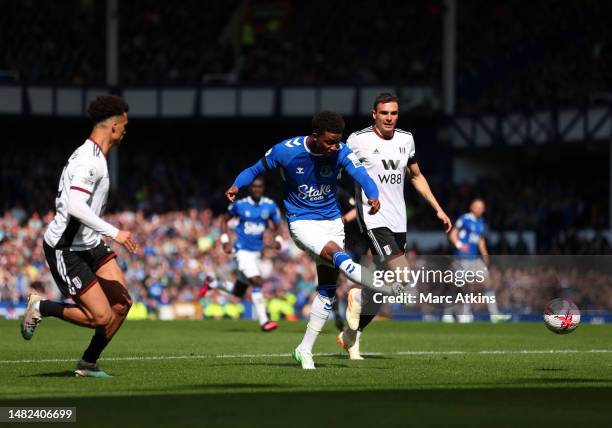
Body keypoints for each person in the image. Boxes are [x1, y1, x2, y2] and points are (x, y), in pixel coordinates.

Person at [225, 111, 403, 370]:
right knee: (339, 257)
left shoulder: (340, 151)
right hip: (302, 222)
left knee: (328, 292)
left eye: (337, 141)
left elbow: (362, 174)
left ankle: (304, 349)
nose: (334, 147)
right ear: (315, 136)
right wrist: (235, 185)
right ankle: (383, 288)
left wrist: (373, 194)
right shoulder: (286, 151)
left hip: (332, 222)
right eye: (329, 142)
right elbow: (254, 169)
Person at [20, 95, 138, 378]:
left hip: (89, 243)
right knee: (101, 317)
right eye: (124, 125)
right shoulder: (90, 161)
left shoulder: (96, 156)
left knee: (122, 304)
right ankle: (42, 306)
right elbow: (75, 207)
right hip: (66, 248)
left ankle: (88, 363)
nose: (125, 130)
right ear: (112, 127)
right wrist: (116, 233)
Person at [338, 92, 452, 359]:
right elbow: (334, 167)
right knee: (403, 276)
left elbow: (416, 175)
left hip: (398, 220)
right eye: (384, 113)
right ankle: (358, 294)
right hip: (372, 218)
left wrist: (438, 208)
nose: (389, 118)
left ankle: (351, 334)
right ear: (374, 115)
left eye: (394, 113)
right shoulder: (357, 140)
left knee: (378, 293)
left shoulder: (406, 139)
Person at [205, 178, 281, 331]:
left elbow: (277, 223)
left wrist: (277, 239)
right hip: (241, 251)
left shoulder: (270, 206)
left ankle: (212, 283)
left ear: (263, 188)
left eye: (259, 187)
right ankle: (264, 322)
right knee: (257, 282)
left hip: (256, 254)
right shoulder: (240, 205)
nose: (257, 189)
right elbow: (223, 220)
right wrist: (226, 241)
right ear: (250, 189)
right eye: (254, 187)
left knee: (238, 291)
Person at [448, 198, 510, 322]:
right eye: (477, 207)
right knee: (464, 285)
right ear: (472, 207)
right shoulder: (464, 219)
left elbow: (480, 240)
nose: (480, 210)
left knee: (488, 283)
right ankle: (458, 313)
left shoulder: (481, 222)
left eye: (482, 207)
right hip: (463, 257)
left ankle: (494, 314)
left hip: (475, 258)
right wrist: (460, 245)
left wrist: (485, 255)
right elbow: (453, 234)